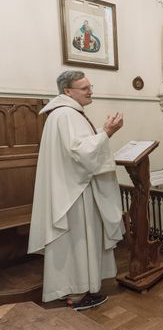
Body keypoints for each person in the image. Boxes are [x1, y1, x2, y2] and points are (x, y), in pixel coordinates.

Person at [28, 70, 124, 310]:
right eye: (84, 88)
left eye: (90, 86)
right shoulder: (67, 115)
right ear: (67, 91)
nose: (90, 91)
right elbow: (82, 153)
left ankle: (73, 290)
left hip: (71, 189)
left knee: (74, 244)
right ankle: (78, 294)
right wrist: (107, 133)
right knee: (79, 242)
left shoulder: (63, 114)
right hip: (75, 194)